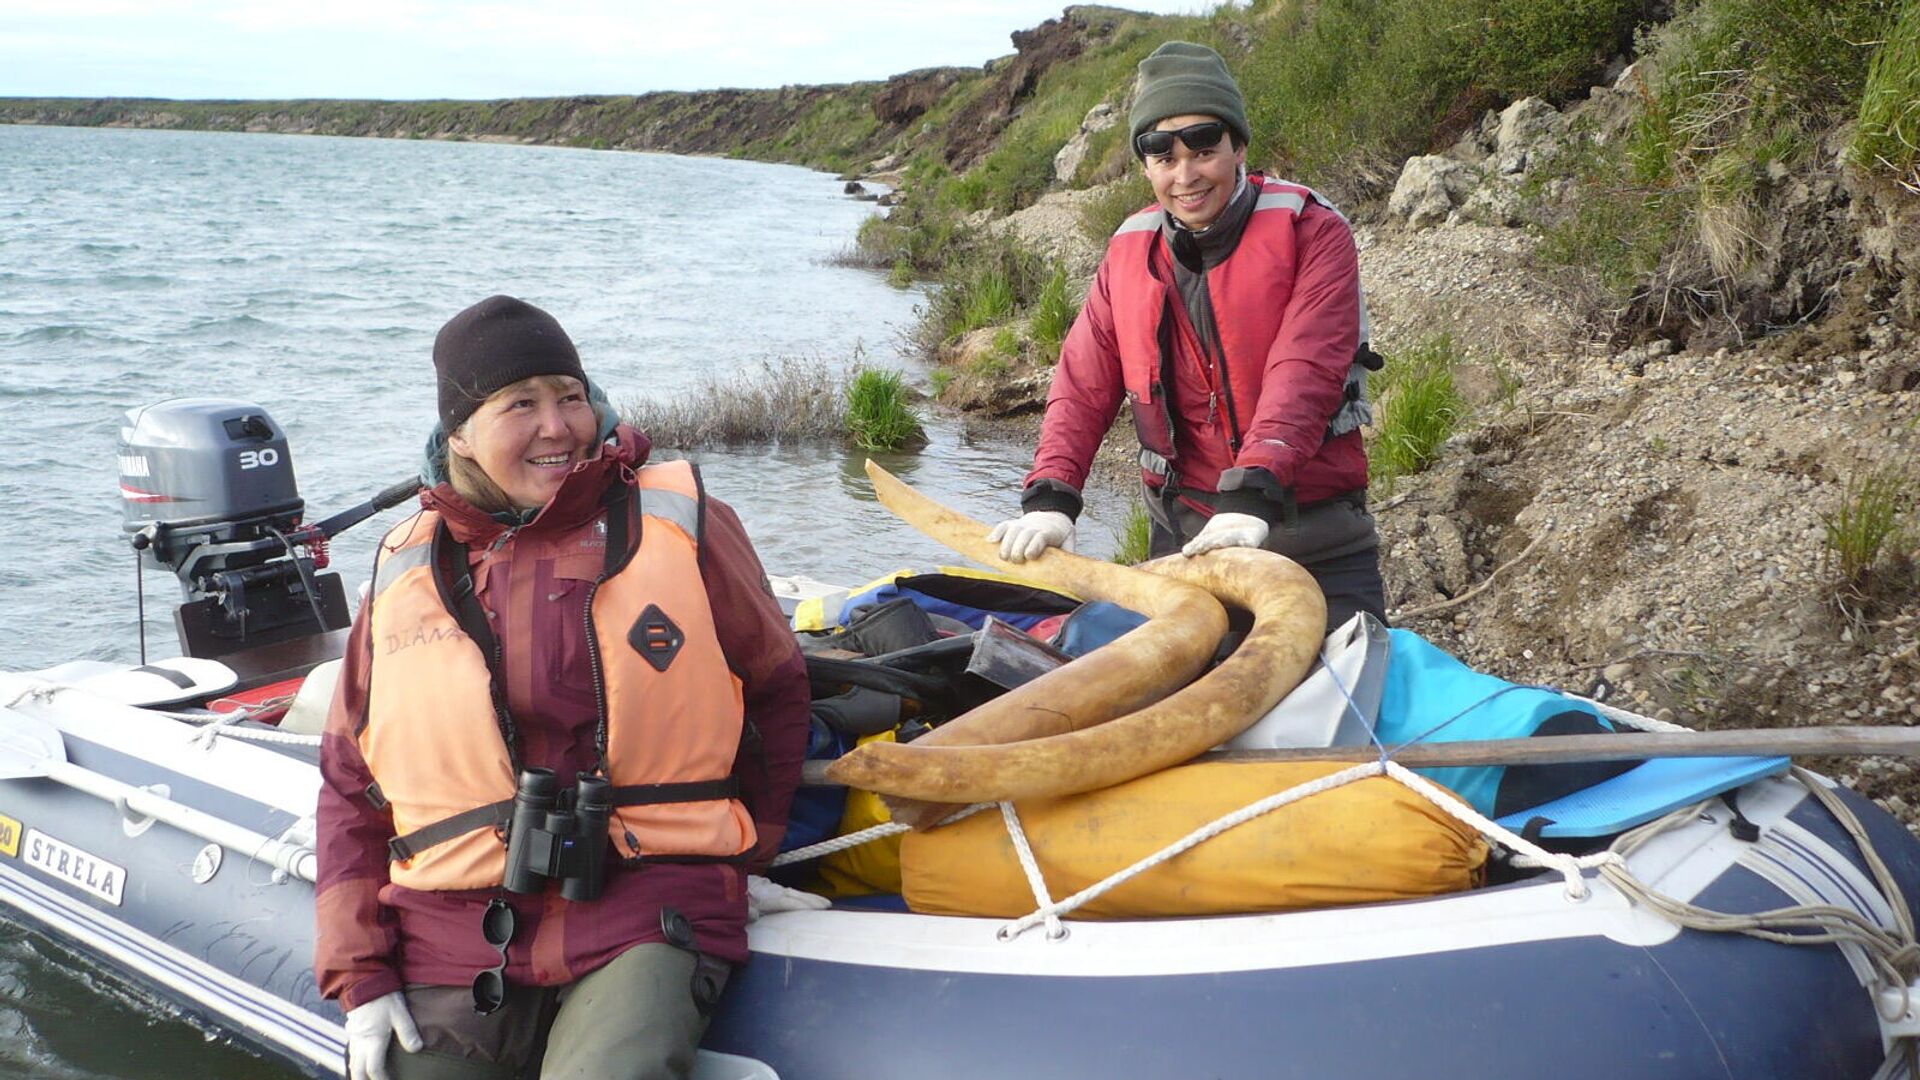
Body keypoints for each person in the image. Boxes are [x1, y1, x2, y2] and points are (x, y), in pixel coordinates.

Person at [315, 295, 819, 1080]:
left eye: (571, 396)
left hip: (649, 901)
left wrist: (750, 860)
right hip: (456, 926)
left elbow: (779, 693)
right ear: (461, 437)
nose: (558, 426)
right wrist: (359, 973)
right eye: (522, 404)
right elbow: (351, 780)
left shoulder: (682, 522)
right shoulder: (405, 565)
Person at [989, 41, 1388, 632]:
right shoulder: (1128, 251)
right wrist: (1052, 494)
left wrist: (1250, 496)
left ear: (1239, 148)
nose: (1185, 176)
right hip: (1183, 539)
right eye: (1163, 157)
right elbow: (1082, 383)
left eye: (1204, 150)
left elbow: (1305, 372)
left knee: (1350, 705)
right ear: (1145, 165)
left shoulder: (1315, 232)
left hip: (1315, 540)